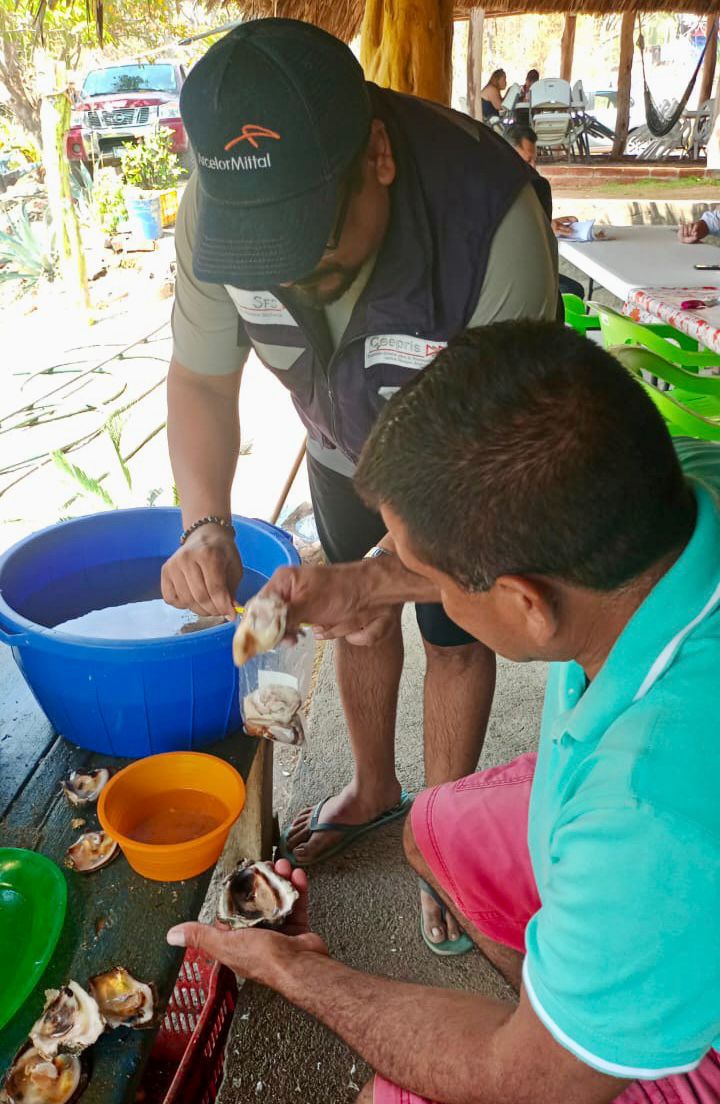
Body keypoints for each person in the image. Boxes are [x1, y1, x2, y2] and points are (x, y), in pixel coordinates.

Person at [168, 321, 720, 1104]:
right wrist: (364, 585)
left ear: (527, 603)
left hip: (693, 1018)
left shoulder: (646, 808)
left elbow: (521, 1083)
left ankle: (580, 1035)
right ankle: (565, 999)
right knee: (433, 827)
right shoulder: (680, 490)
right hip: (658, 851)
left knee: (409, 1095)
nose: (398, 571)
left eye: (421, 568)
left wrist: (300, 972)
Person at [162, 18, 558, 950]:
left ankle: (443, 838)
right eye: (264, 250)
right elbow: (203, 378)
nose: (290, 273)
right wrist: (203, 522)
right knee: (351, 610)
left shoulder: (490, 224)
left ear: (376, 154)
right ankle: (376, 786)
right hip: (341, 446)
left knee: (454, 627)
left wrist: (388, 572)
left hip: (469, 463)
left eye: (311, 238)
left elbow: (500, 508)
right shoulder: (216, 221)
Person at [508, 124, 585, 299]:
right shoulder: (529, 186)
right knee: (572, 291)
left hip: (523, 268)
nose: (533, 167)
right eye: (527, 161)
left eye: (535, 160)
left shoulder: (534, 184)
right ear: (507, 154)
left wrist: (548, 223)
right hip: (513, 271)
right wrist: (542, 226)